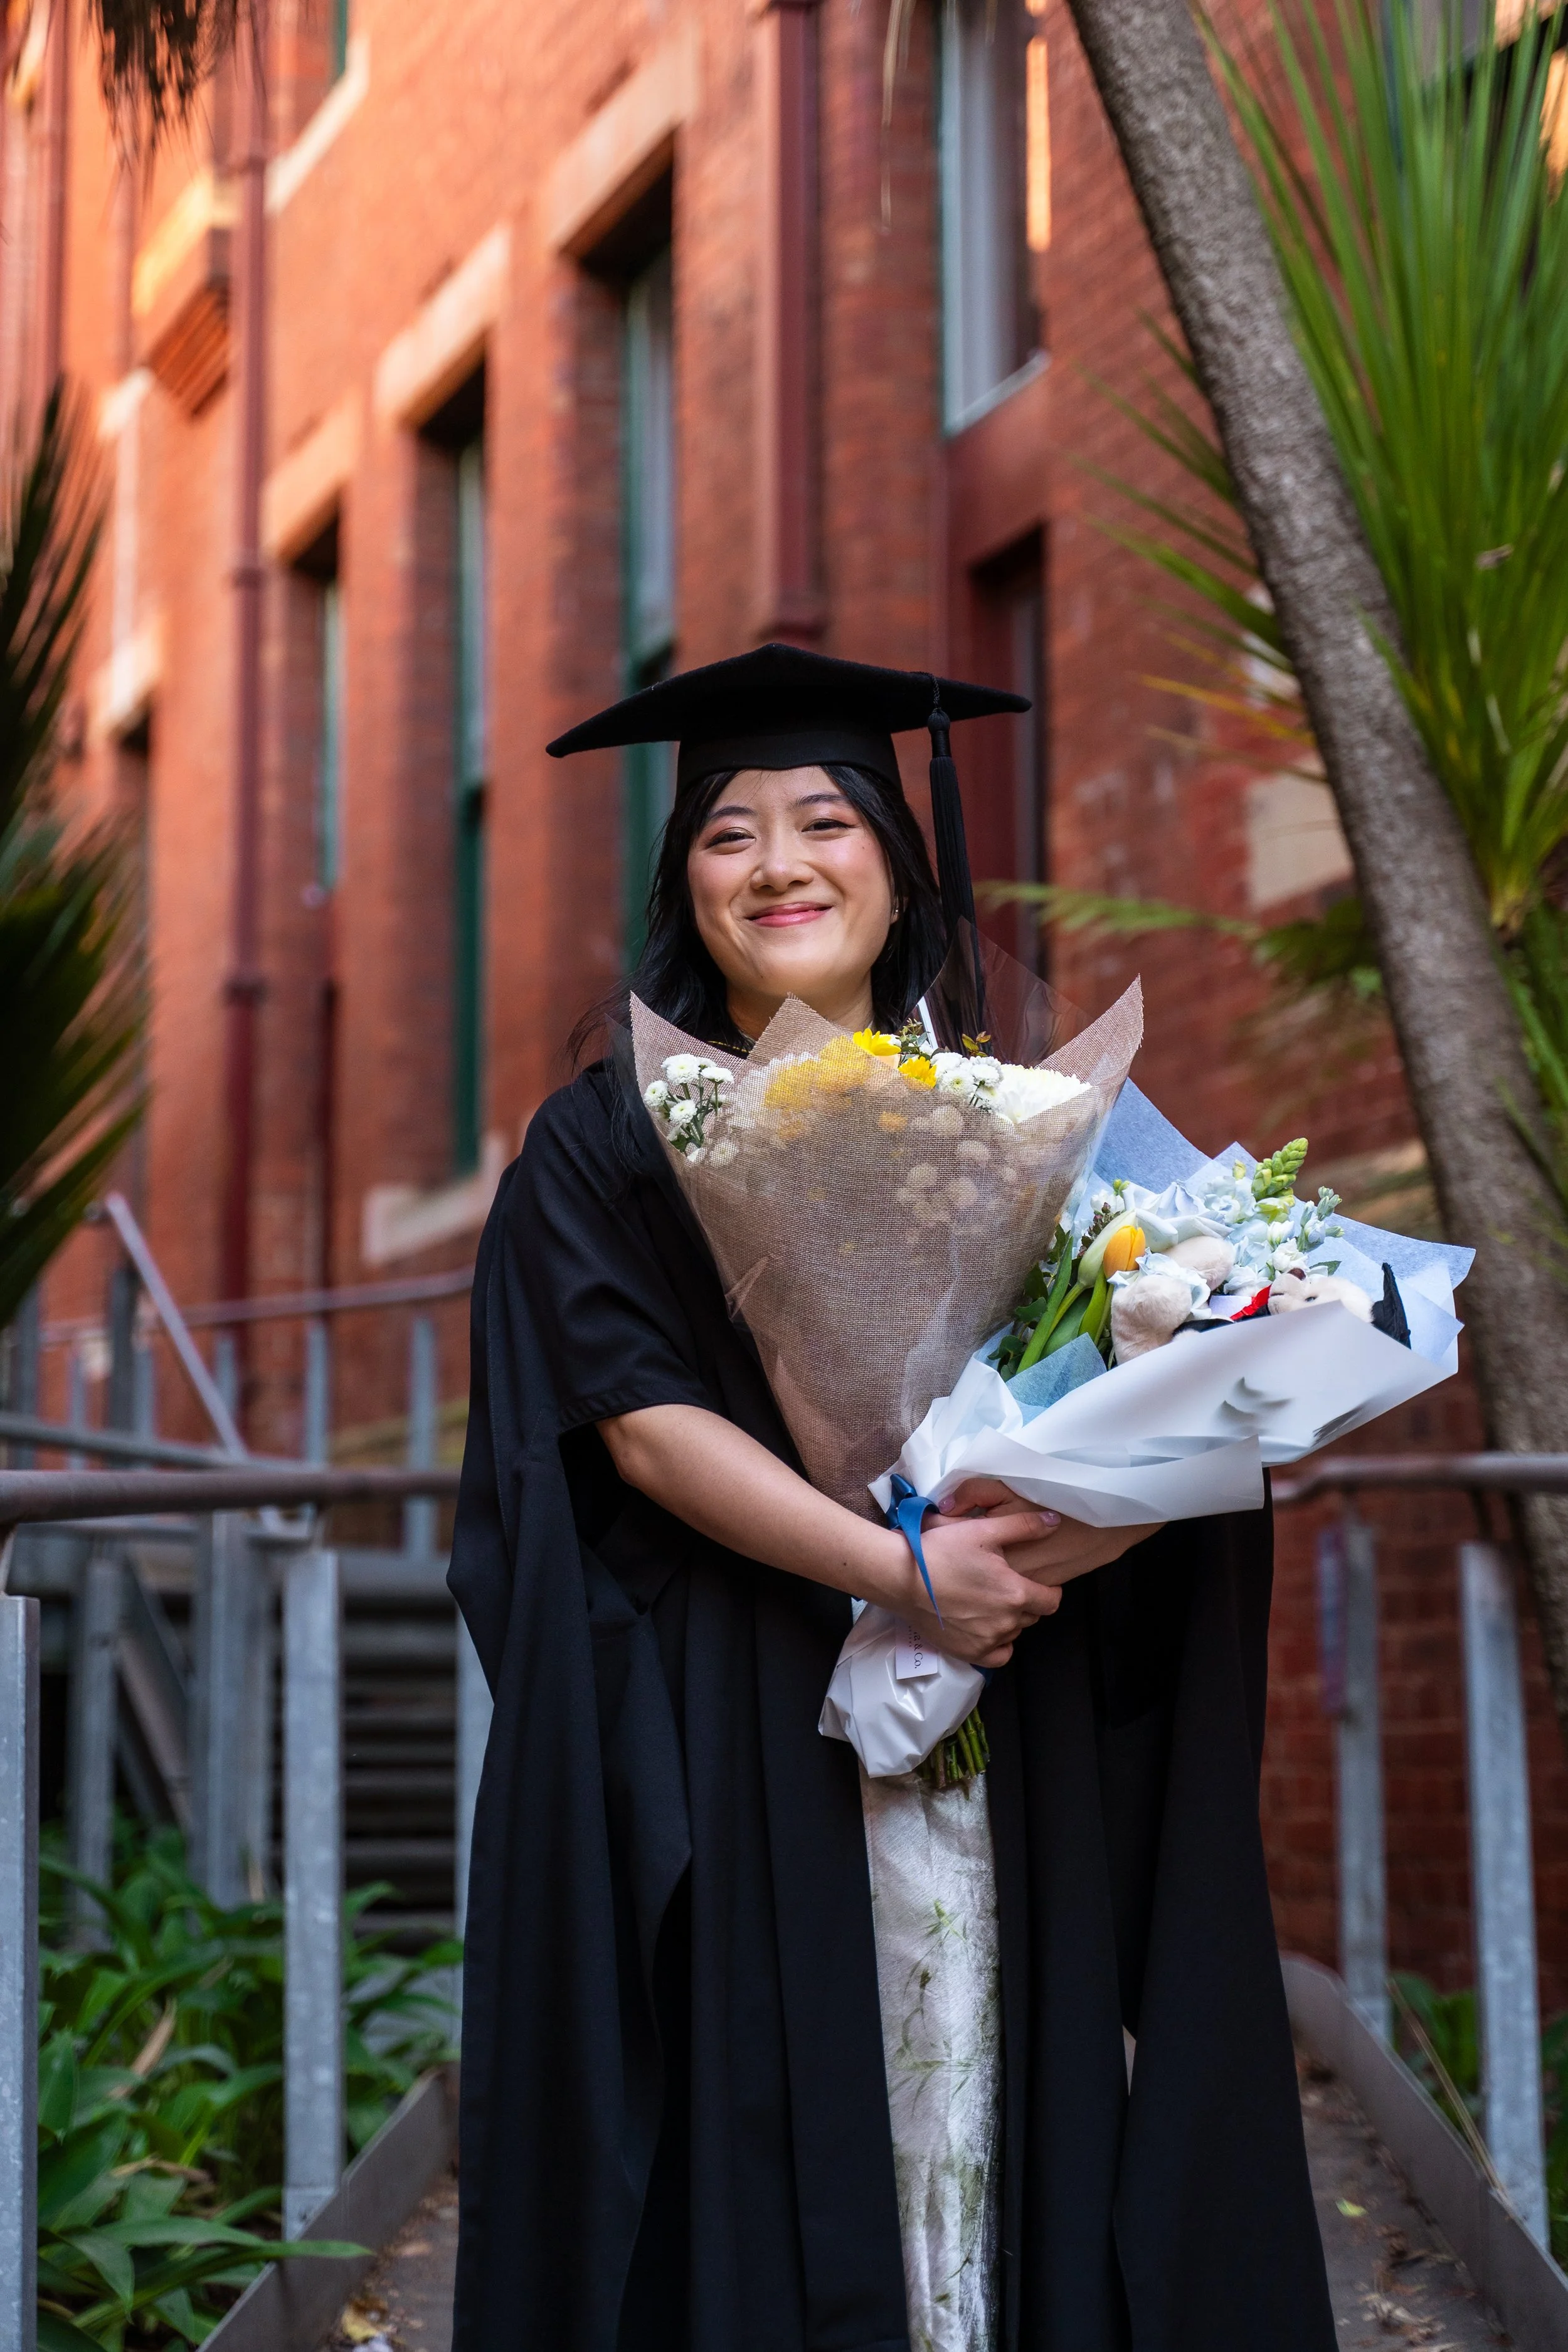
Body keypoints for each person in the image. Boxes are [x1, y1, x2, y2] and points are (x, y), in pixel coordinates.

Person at [448, 644, 1335, 2352]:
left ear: (895, 856)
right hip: (742, 1719)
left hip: (1007, 1708)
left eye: (821, 817)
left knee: (1004, 2105)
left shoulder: (1028, 1127)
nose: (776, 863)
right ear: (681, 883)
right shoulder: (608, 1139)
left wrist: (1083, 1522)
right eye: (725, 832)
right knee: (769, 2126)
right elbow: (631, 1426)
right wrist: (901, 1568)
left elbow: (1161, 1377)